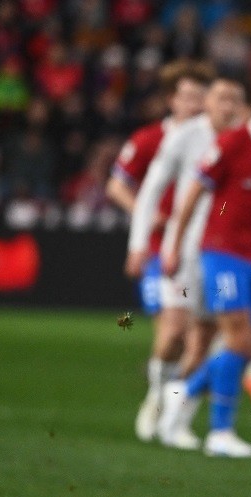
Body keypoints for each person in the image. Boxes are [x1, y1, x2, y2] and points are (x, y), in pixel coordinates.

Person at [158, 74, 251, 458]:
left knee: (249, 345)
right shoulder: (233, 143)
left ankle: (179, 396)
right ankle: (219, 432)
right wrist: (173, 245)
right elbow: (193, 192)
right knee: (240, 340)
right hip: (222, 252)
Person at [128, 74, 248, 449]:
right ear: (208, 104)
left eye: (234, 100)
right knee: (174, 333)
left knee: (203, 342)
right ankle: (156, 392)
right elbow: (151, 188)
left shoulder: (246, 141)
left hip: (221, 255)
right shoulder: (184, 137)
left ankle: (176, 418)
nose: (227, 107)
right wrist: (139, 243)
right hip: (181, 250)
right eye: (220, 99)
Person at [106, 60, 211, 442]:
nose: (196, 104)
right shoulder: (151, 138)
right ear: (172, 100)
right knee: (173, 333)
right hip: (160, 251)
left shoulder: (215, 140)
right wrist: (144, 217)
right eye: (188, 96)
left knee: (194, 337)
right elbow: (117, 185)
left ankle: (170, 408)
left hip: (203, 249)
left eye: (202, 97)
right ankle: (156, 397)